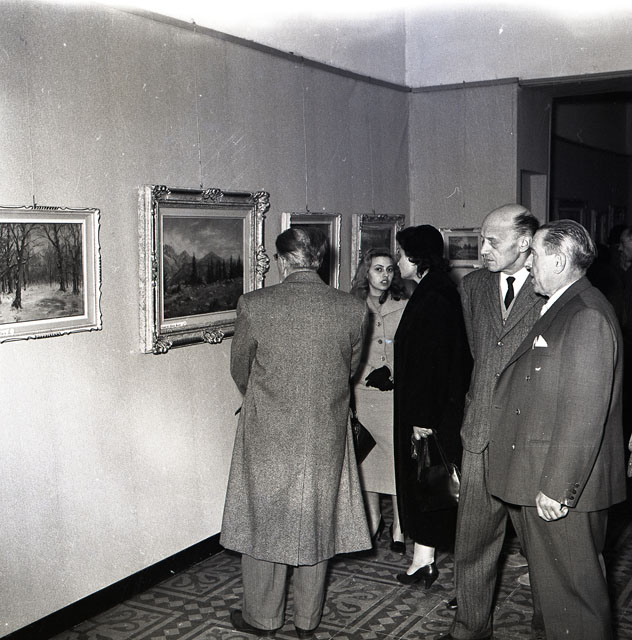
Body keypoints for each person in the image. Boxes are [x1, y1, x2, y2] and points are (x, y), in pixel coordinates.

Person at [221, 227, 371, 638]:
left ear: (284, 260)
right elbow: (349, 369)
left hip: (268, 430)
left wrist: (268, 398)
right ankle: (307, 620)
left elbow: (241, 368)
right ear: (319, 259)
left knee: (263, 518)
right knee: (317, 519)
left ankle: (262, 617)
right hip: (325, 432)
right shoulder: (352, 308)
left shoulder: (255, 304)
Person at [487, 219, 627, 640]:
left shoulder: (586, 315)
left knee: (575, 605)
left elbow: (583, 412)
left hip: (561, 488)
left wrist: (557, 487)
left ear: (560, 260)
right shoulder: (565, 305)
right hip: (543, 475)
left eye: (534, 255)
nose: (528, 264)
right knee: (556, 600)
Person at [440, 203, 543, 640]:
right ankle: (470, 626)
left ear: (525, 244)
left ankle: (551, 627)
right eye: (481, 240)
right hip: (480, 432)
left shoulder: (549, 288)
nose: (481, 250)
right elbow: (478, 353)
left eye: (492, 242)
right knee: (473, 542)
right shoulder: (473, 286)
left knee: (543, 549)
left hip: (529, 439)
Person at [393, 225, 472, 587]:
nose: (398, 262)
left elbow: (433, 363)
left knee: (429, 484)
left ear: (415, 258)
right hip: (428, 409)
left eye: (401, 254)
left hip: (429, 413)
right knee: (425, 485)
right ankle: (422, 560)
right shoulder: (434, 289)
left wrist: (423, 417)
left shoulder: (435, 296)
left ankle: (426, 561)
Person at [350, 249, 409, 553]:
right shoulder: (353, 306)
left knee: (396, 459)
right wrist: (369, 372)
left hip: (394, 394)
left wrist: (394, 373)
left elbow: (412, 348)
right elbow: (347, 349)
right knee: (367, 459)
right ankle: (374, 520)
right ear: (366, 272)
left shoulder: (405, 305)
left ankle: (399, 525)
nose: (385, 275)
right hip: (364, 392)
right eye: (378, 269)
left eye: (389, 270)